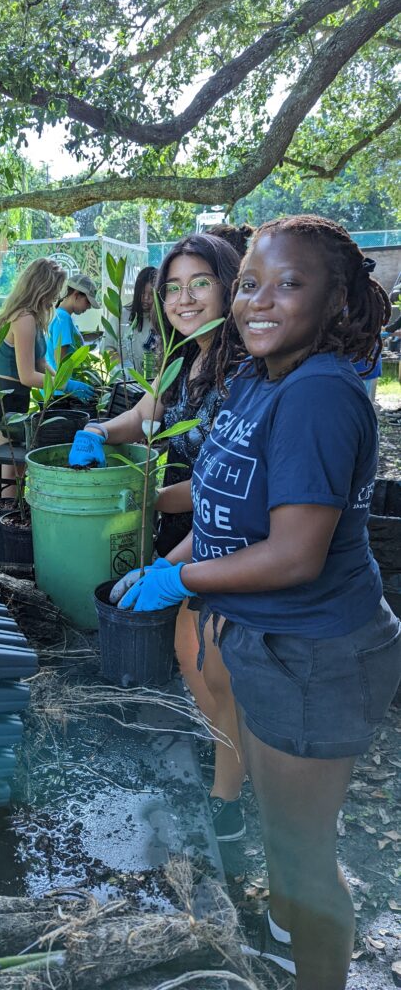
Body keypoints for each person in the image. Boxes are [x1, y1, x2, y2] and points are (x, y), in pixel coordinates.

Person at [114, 216, 400, 988]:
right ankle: (284, 944)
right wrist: (168, 554)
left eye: (288, 284)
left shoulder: (317, 395)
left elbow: (294, 554)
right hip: (263, 640)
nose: (258, 301)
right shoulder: (254, 379)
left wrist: (182, 581)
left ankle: (315, 970)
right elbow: (215, 500)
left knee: (305, 860)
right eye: (248, 284)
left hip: (315, 656)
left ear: (335, 300)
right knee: (282, 839)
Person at [69, 233, 247, 841]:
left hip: (233, 536)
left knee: (214, 666)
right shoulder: (184, 357)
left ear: (230, 283)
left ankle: (231, 802)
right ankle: (228, 768)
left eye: (200, 283)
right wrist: (100, 431)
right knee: (192, 655)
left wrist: (151, 505)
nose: (183, 298)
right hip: (199, 525)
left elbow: (229, 489)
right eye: (172, 287)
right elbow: (146, 415)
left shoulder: (243, 370)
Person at [0, 258, 90, 495]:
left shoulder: (34, 317)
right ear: (42, 287)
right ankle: (7, 517)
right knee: (11, 470)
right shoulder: (23, 319)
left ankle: (15, 512)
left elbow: (41, 363)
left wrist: (61, 383)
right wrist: (67, 385)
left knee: (19, 468)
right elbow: (27, 376)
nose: (55, 297)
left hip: (16, 399)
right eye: (54, 291)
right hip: (3, 399)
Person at [102, 265, 159, 378]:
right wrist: (123, 369)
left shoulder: (164, 320)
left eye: (151, 294)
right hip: (124, 385)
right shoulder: (120, 316)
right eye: (142, 293)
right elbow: (107, 349)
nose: (146, 298)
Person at [45, 274, 98, 378]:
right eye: (88, 301)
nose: (89, 307)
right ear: (76, 295)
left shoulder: (60, 315)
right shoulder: (63, 318)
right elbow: (61, 361)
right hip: (62, 390)